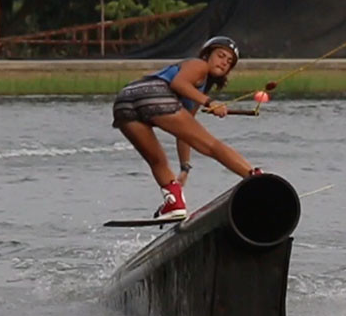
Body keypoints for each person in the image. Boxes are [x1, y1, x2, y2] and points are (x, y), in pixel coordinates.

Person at [112, 36, 262, 219]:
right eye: (221, 55)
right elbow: (178, 83)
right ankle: (255, 178)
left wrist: (185, 167)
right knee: (211, 145)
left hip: (125, 101)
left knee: (157, 160)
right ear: (207, 55)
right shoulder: (199, 65)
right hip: (154, 92)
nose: (224, 63)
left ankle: (174, 203)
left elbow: (184, 134)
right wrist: (210, 102)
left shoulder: (197, 90)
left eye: (229, 62)